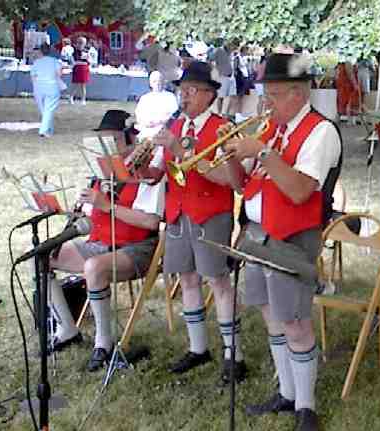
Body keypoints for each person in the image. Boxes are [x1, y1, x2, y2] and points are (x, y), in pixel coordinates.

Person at [224, 52, 342, 431]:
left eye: (272, 95)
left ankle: (306, 406)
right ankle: (287, 392)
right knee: (269, 313)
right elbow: (242, 183)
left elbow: (298, 189)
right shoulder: (276, 129)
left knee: (295, 321)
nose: (266, 103)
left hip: (293, 235)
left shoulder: (320, 132)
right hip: (258, 233)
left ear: (297, 93)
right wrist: (231, 153)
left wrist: (261, 151)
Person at [151, 61, 247, 384]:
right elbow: (165, 171)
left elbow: (232, 181)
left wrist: (179, 149)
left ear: (208, 95)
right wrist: (143, 170)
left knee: (218, 282)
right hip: (178, 212)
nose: (185, 96)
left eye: (192, 90)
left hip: (211, 214)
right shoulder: (175, 125)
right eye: (182, 90)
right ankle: (198, 348)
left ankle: (235, 354)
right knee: (187, 280)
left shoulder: (223, 128)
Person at [48, 110, 163, 371]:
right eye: (102, 142)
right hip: (100, 242)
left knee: (94, 268)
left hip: (137, 247)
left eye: (112, 141)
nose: (107, 149)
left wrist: (107, 205)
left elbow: (150, 222)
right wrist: (80, 209)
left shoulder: (146, 170)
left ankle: (104, 343)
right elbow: (93, 213)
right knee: (43, 256)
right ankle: (67, 328)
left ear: (129, 139)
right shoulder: (101, 170)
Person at [134, 71, 179, 141]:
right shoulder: (145, 98)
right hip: (146, 130)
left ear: (163, 82)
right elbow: (139, 115)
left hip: (163, 130)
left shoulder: (170, 97)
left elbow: (174, 116)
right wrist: (146, 122)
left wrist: (159, 121)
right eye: (154, 81)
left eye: (159, 81)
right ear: (150, 83)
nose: (157, 83)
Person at [30, 43, 63, 138]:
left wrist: (36, 87)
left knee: (44, 110)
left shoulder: (36, 62)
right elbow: (59, 74)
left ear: (40, 51)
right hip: (52, 86)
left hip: (39, 87)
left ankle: (49, 129)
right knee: (49, 109)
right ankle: (44, 130)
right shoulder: (55, 62)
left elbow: (33, 77)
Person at [208, 39, 236, 116]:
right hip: (223, 76)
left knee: (232, 96)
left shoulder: (231, 54)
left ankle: (227, 113)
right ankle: (220, 113)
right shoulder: (219, 51)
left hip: (231, 76)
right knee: (221, 96)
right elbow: (210, 59)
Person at [70, 36, 90, 105]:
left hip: (84, 68)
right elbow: (74, 60)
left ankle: (83, 99)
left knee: (83, 85)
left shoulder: (87, 51)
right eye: (79, 43)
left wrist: (86, 59)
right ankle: (71, 98)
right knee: (75, 84)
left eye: (82, 43)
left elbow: (88, 61)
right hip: (77, 68)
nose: (81, 44)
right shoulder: (74, 51)